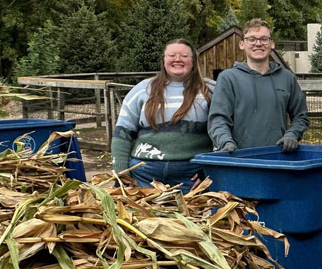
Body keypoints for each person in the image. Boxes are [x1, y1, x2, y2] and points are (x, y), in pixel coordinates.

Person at [111, 39, 214, 189]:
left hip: (191, 178)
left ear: (193, 61)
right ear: (164, 60)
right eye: (172, 55)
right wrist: (121, 175)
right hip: (144, 176)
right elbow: (122, 134)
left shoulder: (210, 90)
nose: (177, 59)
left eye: (184, 56)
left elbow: (223, 131)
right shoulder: (142, 90)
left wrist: (210, 170)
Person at [207, 18, 309, 153]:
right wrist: (225, 142)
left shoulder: (286, 78)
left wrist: (292, 135)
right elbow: (218, 119)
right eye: (252, 39)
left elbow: (301, 116)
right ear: (242, 44)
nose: (258, 43)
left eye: (264, 39)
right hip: (241, 158)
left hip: (278, 156)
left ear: (271, 44)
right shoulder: (228, 78)